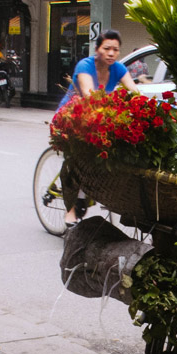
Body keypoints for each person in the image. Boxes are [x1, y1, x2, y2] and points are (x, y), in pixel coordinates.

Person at [58, 29, 139, 226]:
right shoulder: (85, 65)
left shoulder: (118, 68)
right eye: (106, 48)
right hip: (74, 117)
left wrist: (141, 106)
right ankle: (70, 210)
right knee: (76, 159)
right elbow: (89, 95)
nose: (111, 53)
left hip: (100, 119)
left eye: (115, 50)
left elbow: (135, 92)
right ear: (97, 49)